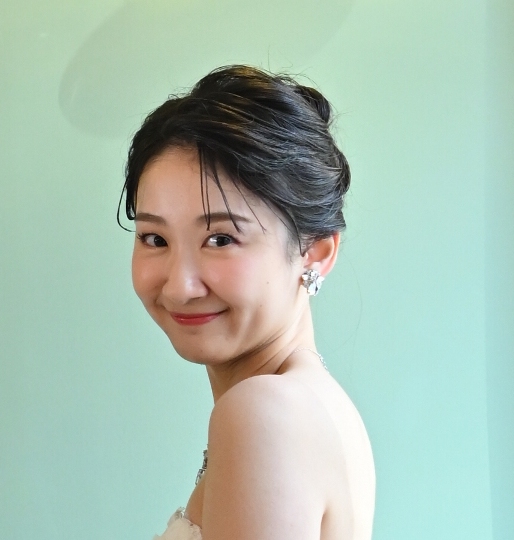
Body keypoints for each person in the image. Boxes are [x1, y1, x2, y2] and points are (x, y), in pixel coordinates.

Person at [119, 65, 375, 540]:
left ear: (315, 252)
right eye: (155, 238)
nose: (179, 287)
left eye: (221, 239)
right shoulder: (312, 404)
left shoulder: (267, 414)